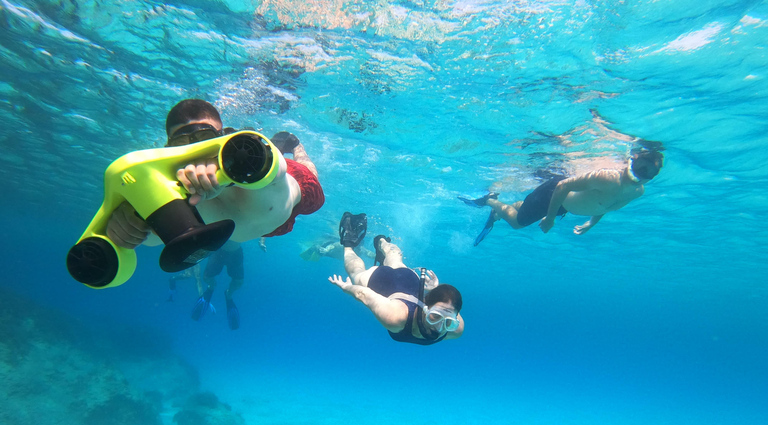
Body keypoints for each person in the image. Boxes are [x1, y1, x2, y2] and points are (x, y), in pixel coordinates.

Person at [106, 99, 325, 327]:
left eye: (205, 139)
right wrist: (125, 225)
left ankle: (293, 144)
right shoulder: (171, 187)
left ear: (222, 138)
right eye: (182, 143)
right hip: (263, 219)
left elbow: (277, 167)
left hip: (289, 194)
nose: (194, 152)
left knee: (310, 176)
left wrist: (239, 166)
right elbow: (149, 239)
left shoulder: (272, 170)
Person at [459, 146, 664, 244]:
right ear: (632, 160)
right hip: (554, 194)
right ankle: (490, 201)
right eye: (640, 167)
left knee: (526, 206)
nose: (641, 175)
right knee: (517, 223)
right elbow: (563, 185)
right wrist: (549, 218)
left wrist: (591, 223)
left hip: (565, 205)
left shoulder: (637, 192)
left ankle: (497, 213)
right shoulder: (609, 178)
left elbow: (607, 204)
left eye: (649, 173)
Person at [328, 212, 465, 345]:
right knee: (356, 273)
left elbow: (450, 310)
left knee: (395, 257)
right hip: (383, 281)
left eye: (448, 322)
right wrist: (347, 287)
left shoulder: (456, 330)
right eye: (434, 317)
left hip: (409, 281)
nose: (439, 328)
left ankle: (381, 242)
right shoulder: (396, 317)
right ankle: (349, 244)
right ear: (425, 306)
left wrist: (436, 290)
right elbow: (363, 293)